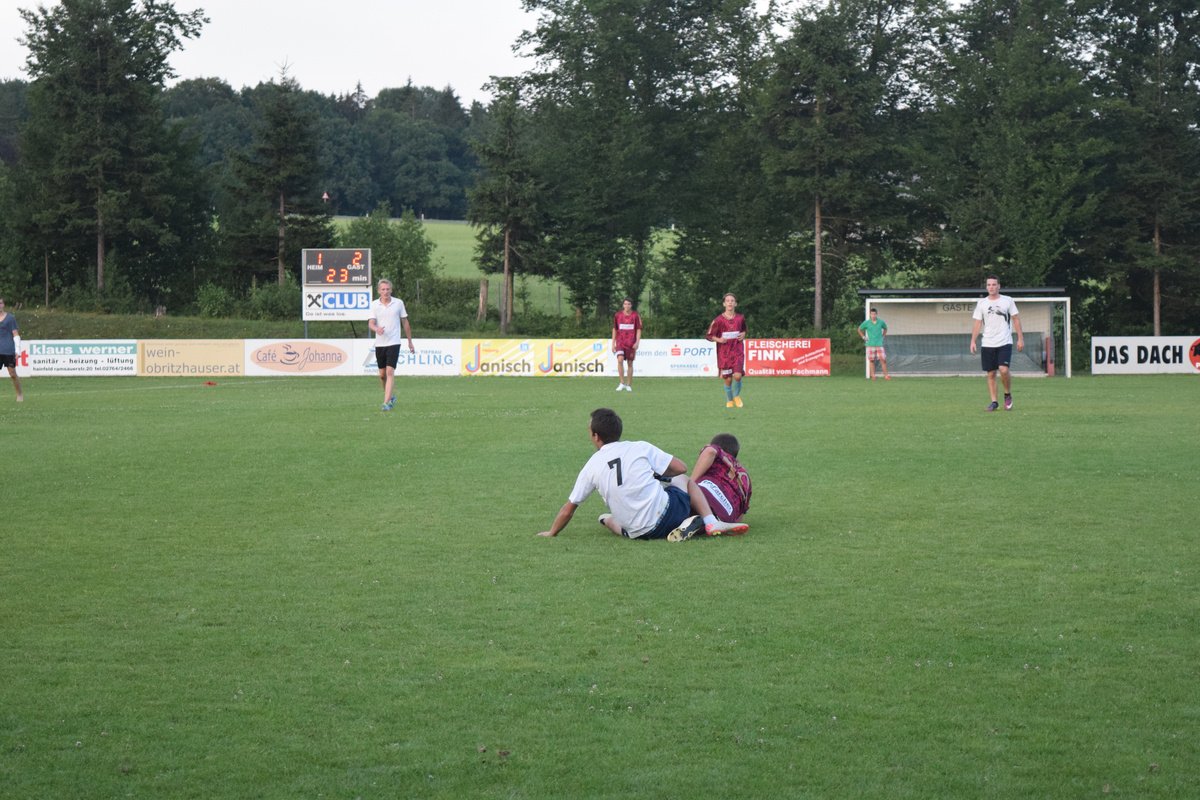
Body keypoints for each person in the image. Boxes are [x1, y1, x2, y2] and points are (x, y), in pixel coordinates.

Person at [537, 408, 750, 541]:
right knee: (684, 481)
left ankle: (607, 520)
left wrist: (552, 532)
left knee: (609, 519)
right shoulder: (639, 447)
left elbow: (568, 509)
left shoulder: (590, 466)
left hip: (637, 533)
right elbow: (681, 467)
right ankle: (709, 521)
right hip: (667, 515)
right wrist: (659, 475)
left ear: (595, 436)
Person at [969, 275, 1024, 411]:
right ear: (986, 287)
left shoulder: (1008, 301)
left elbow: (1016, 319)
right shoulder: (982, 303)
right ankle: (994, 402)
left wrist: (1020, 338)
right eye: (989, 285)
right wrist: (973, 341)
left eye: (994, 284)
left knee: (1004, 370)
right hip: (988, 343)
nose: (991, 287)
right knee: (991, 374)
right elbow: (977, 323)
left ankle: (1007, 394)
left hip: (1005, 341)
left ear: (999, 286)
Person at [367, 279, 414, 411]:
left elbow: (405, 322)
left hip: (394, 342)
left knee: (389, 371)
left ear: (391, 290)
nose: (386, 291)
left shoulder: (398, 303)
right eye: (383, 289)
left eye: (388, 289)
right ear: (379, 291)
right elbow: (371, 323)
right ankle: (390, 396)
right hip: (380, 344)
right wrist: (376, 329)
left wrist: (410, 341)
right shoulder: (374, 305)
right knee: (382, 375)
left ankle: (386, 403)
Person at [686, 433, 751, 524]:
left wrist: (688, 484)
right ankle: (703, 524)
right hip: (727, 516)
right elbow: (740, 517)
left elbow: (710, 451)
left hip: (706, 493)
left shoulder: (719, 453)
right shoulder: (745, 478)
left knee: (679, 481)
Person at [706, 293, 746, 408]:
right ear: (724, 304)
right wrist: (719, 339)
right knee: (728, 379)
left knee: (737, 376)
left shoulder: (740, 318)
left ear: (735, 304)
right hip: (724, 354)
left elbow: (743, 330)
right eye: (727, 301)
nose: (730, 302)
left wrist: (743, 334)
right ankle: (729, 400)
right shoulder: (718, 320)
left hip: (737, 350)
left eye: (732, 300)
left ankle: (736, 396)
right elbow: (709, 335)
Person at [611, 297, 642, 392]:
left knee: (630, 363)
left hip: (631, 343)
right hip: (620, 342)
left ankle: (628, 385)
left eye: (628, 304)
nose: (627, 306)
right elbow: (615, 329)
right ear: (623, 305)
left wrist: (637, 342)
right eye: (625, 304)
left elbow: (638, 329)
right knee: (620, 360)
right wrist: (613, 343)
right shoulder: (618, 315)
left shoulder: (635, 315)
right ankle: (621, 383)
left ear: (631, 305)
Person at [0, 296, 23, 402]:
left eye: (0, 303)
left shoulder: (10, 318)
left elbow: (15, 334)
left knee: (12, 374)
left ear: (3, 305)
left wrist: (17, 350)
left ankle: (19, 394)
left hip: (8, 350)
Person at [858, 307, 891, 380]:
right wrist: (863, 337)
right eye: (872, 314)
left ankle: (886, 376)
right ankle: (873, 375)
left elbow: (885, 328)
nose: (873, 315)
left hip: (879, 344)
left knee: (883, 360)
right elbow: (859, 329)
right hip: (870, 344)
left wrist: (883, 336)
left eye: (874, 314)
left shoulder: (881, 322)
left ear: (876, 314)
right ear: (870, 314)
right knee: (871, 360)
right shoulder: (866, 323)